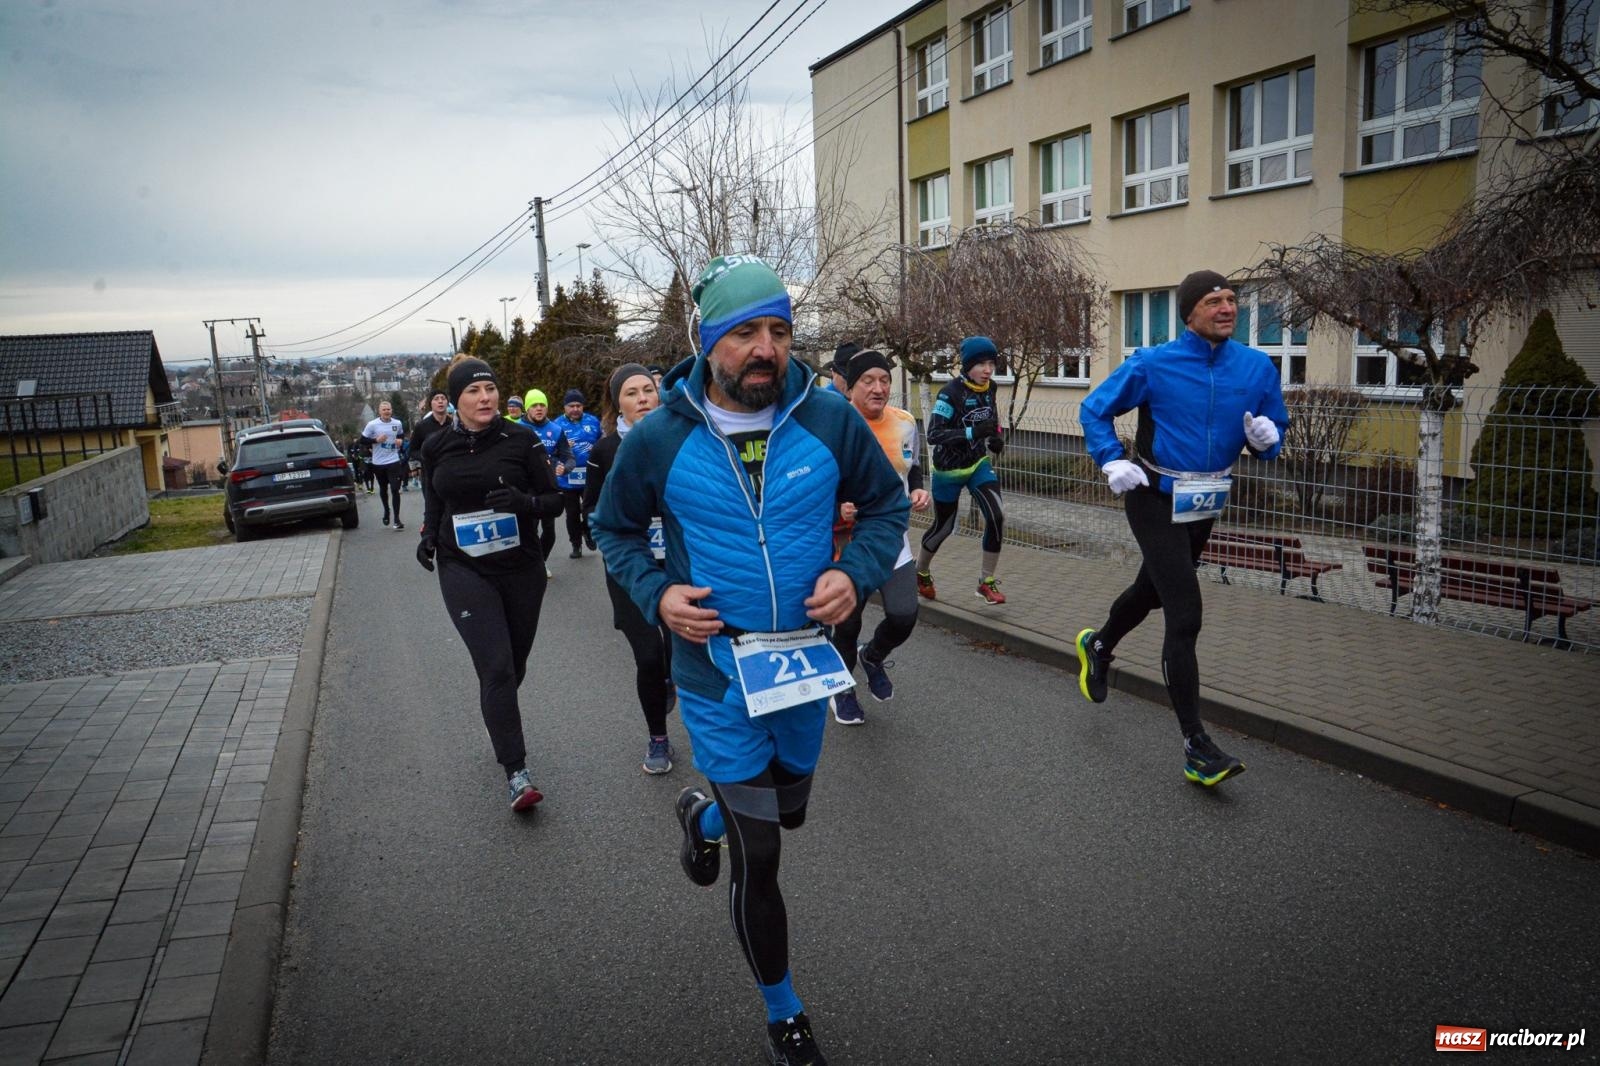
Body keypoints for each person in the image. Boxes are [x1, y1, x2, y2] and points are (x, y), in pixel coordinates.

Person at [591, 255, 907, 1066]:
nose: (765, 348)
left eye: (778, 330)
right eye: (745, 333)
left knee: (787, 812)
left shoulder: (829, 418)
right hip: (717, 674)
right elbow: (614, 529)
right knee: (761, 855)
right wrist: (657, 593)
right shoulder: (661, 434)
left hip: (805, 668)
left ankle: (699, 817)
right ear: (709, 341)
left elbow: (885, 507)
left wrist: (855, 571)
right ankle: (784, 1013)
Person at [1074, 270, 1290, 787]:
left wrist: (1269, 438)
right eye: (1214, 301)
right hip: (1152, 496)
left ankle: (1098, 646)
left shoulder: (1256, 367)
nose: (1226, 308)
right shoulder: (1154, 363)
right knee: (1184, 611)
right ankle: (1196, 745)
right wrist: (1110, 460)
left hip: (1205, 501)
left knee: (1150, 591)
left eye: (1232, 300)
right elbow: (1093, 410)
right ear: (1189, 312)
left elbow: (1274, 427)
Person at [416, 357, 565, 810]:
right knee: (496, 667)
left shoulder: (522, 440)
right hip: (463, 568)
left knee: (512, 667)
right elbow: (433, 500)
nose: (485, 398)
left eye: (491, 389)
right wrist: (427, 536)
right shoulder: (436, 446)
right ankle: (517, 772)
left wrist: (523, 502)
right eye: (473, 392)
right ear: (455, 400)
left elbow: (555, 501)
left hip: (520, 569)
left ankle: (496, 711)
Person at [827, 349, 930, 726]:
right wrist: (839, 506)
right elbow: (814, 483)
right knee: (847, 623)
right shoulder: (836, 426)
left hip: (892, 537)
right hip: (849, 543)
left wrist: (918, 490)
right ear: (850, 388)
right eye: (868, 381)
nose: (879, 387)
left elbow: (912, 466)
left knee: (904, 616)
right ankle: (842, 687)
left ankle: (872, 656)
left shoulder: (904, 422)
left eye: (884, 380)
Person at [582, 363, 676, 774]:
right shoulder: (605, 451)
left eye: (648, 390)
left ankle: (670, 680)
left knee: (677, 651)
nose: (642, 399)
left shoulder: (681, 440)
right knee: (649, 655)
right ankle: (658, 737)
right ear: (617, 403)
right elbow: (591, 507)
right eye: (631, 393)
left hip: (677, 563)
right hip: (629, 570)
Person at [915, 336, 1008, 605]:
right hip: (948, 469)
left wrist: (994, 438)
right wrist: (971, 432)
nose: (988, 369)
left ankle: (985, 582)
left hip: (978, 463)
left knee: (997, 516)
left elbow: (991, 420)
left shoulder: (990, 388)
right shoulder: (949, 393)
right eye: (981, 364)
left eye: (992, 363)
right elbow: (934, 434)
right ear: (968, 366)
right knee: (943, 528)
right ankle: (920, 572)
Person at [521, 389, 574, 574]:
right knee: (530, 528)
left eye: (542, 405)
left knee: (549, 531)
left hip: (549, 486)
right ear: (527, 408)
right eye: (534, 405)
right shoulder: (518, 428)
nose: (538, 409)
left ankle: (541, 560)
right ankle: (531, 563)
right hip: (526, 487)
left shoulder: (555, 430)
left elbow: (569, 457)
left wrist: (565, 467)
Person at [553, 388, 602, 558]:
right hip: (568, 478)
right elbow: (550, 452)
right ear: (565, 407)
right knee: (572, 513)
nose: (575, 409)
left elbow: (603, 444)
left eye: (578, 405)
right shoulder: (557, 425)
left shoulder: (593, 421)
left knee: (591, 510)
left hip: (590, 477)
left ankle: (587, 530)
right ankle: (576, 544)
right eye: (571, 405)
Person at [361, 401, 407, 528]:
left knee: (395, 488)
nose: (387, 411)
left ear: (391, 410)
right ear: (379, 411)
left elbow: (401, 434)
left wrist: (400, 440)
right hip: (378, 463)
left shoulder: (397, 423)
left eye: (388, 409)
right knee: (383, 489)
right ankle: (387, 511)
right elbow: (362, 440)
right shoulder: (372, 425)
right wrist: (375, 440)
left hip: (393, 460)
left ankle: (397, 519)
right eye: (384, 410)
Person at [410, 389, 452, 489]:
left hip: (452, 475)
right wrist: (426, 457)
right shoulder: (421, 426)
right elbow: (412, 451)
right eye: (436, 399)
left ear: (447, 403)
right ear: (431, 404)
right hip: (430, 475)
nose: (440, 401)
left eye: (443, 398)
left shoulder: (454, 424)